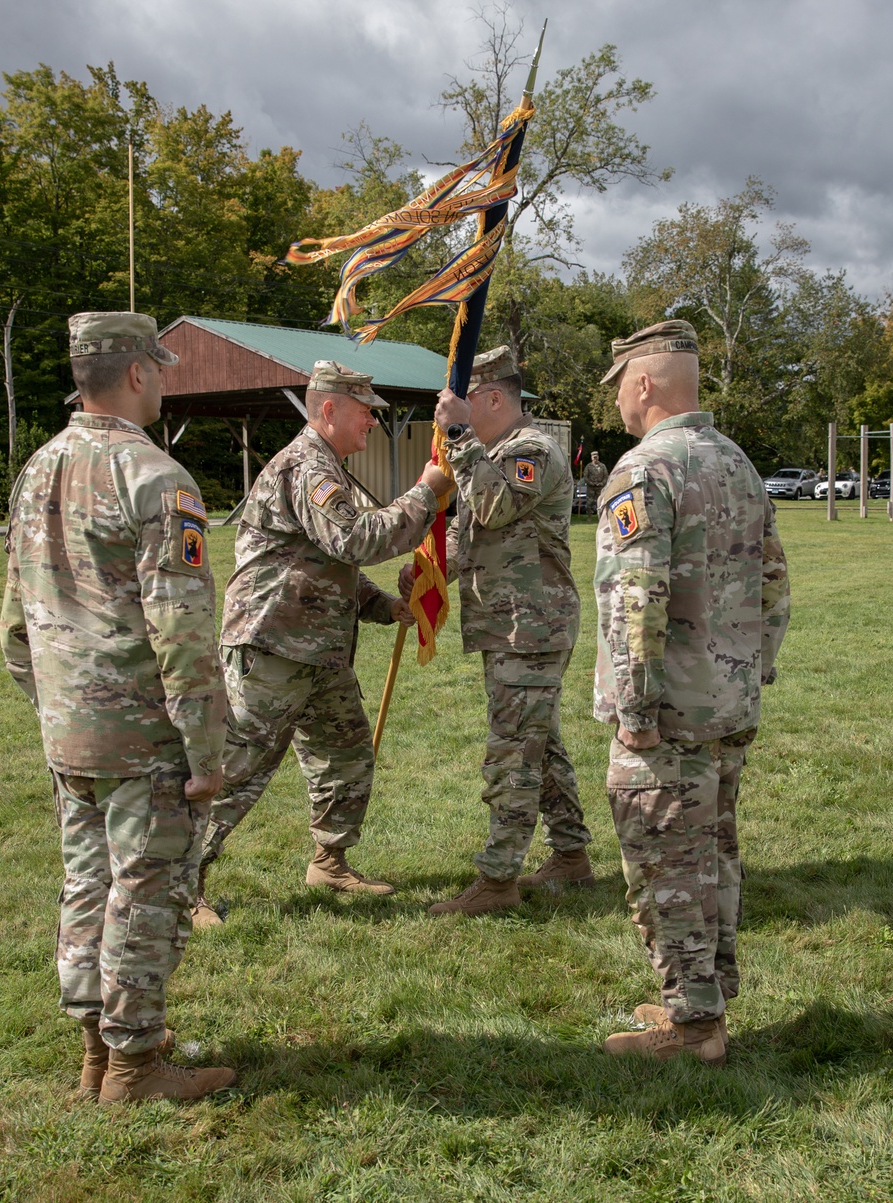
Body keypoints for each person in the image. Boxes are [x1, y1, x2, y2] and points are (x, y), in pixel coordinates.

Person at [0, 311, 236, 1103]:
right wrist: (206, 749)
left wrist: (56, 704)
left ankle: (96, 1053)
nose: (164, 380)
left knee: (85, 880)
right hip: (142, 734)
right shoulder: (156, 478)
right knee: (142, 889)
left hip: (68, 728)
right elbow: (183, 629)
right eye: (160, 368)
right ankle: (134, 1065)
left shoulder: (36, 468)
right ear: (136, 372)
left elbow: (13, 625)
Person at [593, 320, 790, 1065]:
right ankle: (704, 993)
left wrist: (637, 710)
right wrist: (750, 669)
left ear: (642, 383)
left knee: (665, 862)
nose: (616, 401)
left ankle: (693, 1025)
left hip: (668, 713)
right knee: (713, 853)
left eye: (619, 386)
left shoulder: (645, 470)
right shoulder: (736, 463)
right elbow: (775, 582)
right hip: (725, 702)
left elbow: (633, 599)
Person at [192, 360, 452, 924]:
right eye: (365, 412)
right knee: (238, 768)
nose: (373, 424)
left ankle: (329, 861)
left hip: (320, 656)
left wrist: (383, 606)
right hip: (273, 650)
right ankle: (182, 882)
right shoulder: (308, 468)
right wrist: (426, 493)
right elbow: (356, 539)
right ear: (328, 409)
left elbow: (330, 563)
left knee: (347, 756)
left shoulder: (327, 467)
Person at [400, 346, 594, 917]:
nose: (446, 417)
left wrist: (458, 438)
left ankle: (498, 879)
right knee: (540, 743)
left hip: (530, 626)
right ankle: (571, 856)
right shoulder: (495, 452)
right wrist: (435, 566)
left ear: (490, 399)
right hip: (511, 625)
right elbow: (472, 532)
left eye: (456, 406)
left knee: (513, 752)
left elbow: (494, 507)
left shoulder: (531, 450)